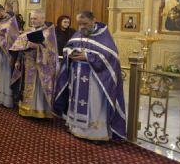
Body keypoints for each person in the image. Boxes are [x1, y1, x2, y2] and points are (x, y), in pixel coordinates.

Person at [54, 10, 126, 141]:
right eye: (79, 24)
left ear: (93, 21)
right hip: (77, 76)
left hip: (95, 79)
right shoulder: (79, 33)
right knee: (76, 101)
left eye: (85, 24)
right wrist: (70, 53)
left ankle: (95, 134)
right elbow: (68, 47)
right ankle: (75, 128)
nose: (81, 27)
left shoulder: (103, 35)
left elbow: (110, 58)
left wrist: (87, 56)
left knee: (94, 105)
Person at [10, 10, 58, 118]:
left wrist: (37, 46)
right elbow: (20, 47)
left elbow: (52, 51)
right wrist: (18, 60)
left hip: (41, 66)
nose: (32, 20)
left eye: (35, 18)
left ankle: (40, 111)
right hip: (27, 64)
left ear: (43, 19)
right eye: (31, 18)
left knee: (39, 87)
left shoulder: (49, 32)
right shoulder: (27, 31)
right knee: (26, 85)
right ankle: (26, 109)